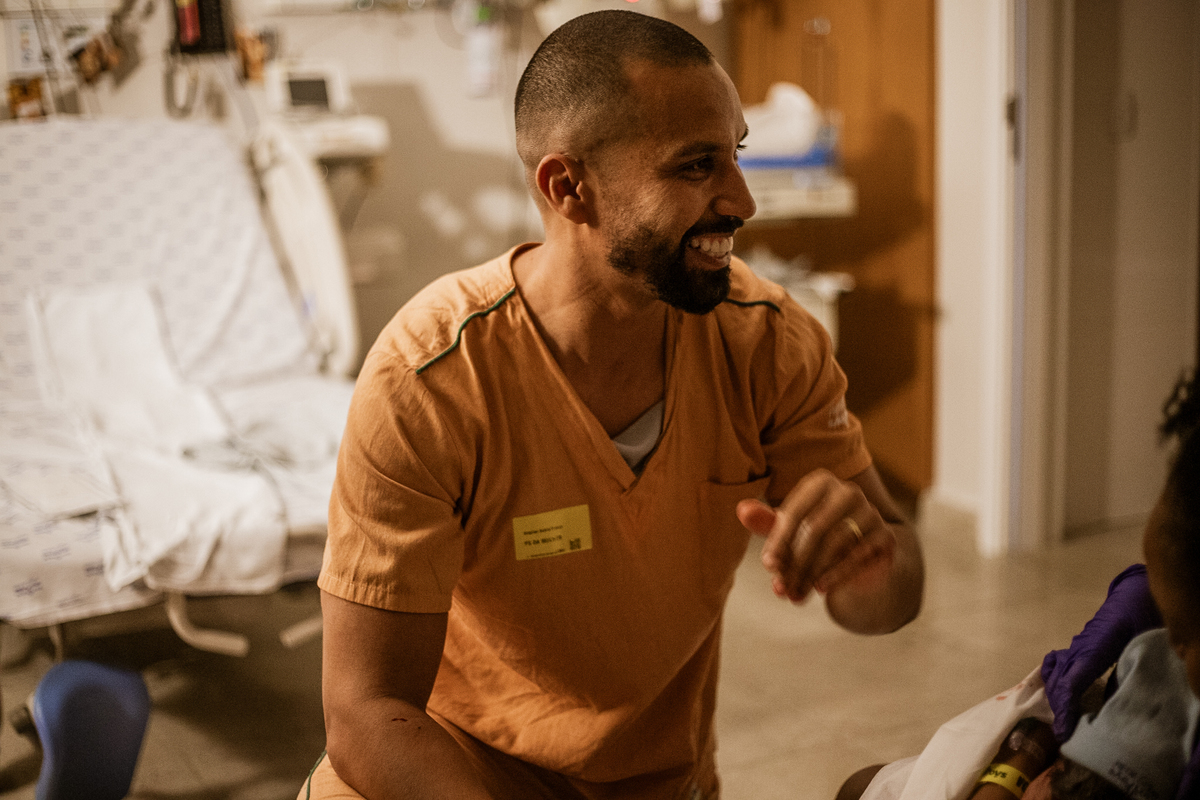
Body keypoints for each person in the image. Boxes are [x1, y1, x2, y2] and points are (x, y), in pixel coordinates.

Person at [302, 10, 924, 800]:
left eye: (734, 155)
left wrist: (870, 565)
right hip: (449, 774)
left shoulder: (768, 344)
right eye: (696, 166)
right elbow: (366, 710)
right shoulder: (430, 379)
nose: (742, 201)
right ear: (568, 188)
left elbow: (893, 596)